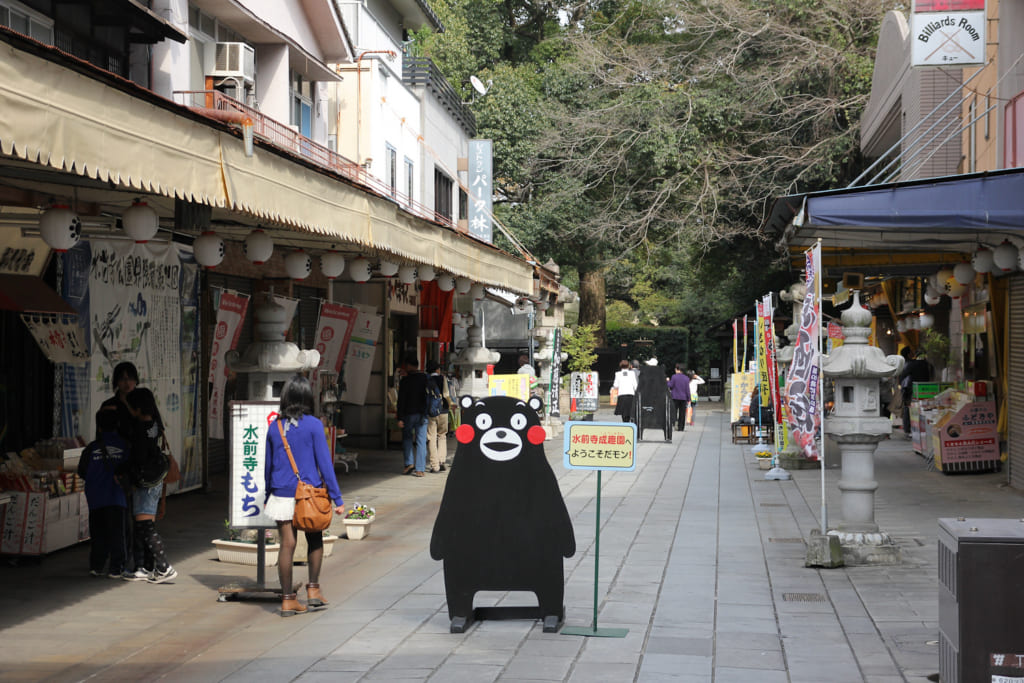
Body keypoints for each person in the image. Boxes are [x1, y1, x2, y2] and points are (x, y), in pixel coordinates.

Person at [264, 374, 345, 617]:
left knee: (287, 544)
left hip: (281, 492)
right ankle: (313, 590)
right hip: (308, 493)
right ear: (308, 397)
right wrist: (337, 498)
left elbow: (267, 466)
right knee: (314, 539)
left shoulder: (274, 427)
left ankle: (288, 600)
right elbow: (325, 464)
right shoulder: (313, 425)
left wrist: (269, 493)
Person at [123, 387, 177, 584]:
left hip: (145, 483)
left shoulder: (139, 429)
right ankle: (145, 568)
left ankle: (164, 567)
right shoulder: (154, 424)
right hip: (155, 480)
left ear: (137, 408)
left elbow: (138, 458)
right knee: (145, 525)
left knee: (146, 527)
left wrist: (127, 474)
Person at [78, 409, 130, 578]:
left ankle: (96, 566)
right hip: (116, 497)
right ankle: (116, 568)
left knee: (98, 534)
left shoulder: (91, 448)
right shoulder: (124, 446)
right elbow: (130, 469)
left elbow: (82, 471)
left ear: (99, 426)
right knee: (117, 534)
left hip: (95, 498)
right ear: (117, 426)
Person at [396, 354, 429, 477]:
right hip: (422, 414)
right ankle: (420, 469)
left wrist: (399, 417)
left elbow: (401, 400)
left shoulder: (405, 381)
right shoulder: (424, 378)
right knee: (421, 441)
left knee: (407, 438)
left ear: (408, 366)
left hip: (408, 414)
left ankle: (409, 463)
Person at [99, 361, 139, 439]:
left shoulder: (144, 401)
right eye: (122, 379)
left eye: (130, 378)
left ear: (135, 380)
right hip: (116, 448)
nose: (127, 382)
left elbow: (155, 427)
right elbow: (101, 434)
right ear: (116, 381)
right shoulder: (108, 405)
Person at [898, 348, 932, 438]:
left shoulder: (905, 364)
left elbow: (902, 376)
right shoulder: (924, 364)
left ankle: (908, 429)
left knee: (908, 409)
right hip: (923, 389)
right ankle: (918, 428)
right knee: (922, 408)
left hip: (909, 389)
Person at [426, 361, 451, 473]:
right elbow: (446, 394)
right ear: (437, 370)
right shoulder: (442, 378)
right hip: (443, 411)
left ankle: (434, 465)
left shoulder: (425, 379)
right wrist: (450, 405)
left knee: (432, 437)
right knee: (442, 436)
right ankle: (441, 461)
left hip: (431, 412)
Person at [666, 364, 691, 432]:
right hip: (683, 398)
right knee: (682, 413)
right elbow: (687, 389)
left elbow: (670, 385)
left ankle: (674, 423)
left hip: (675, 397)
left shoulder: (674, 377)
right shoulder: (686, 378)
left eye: (675, 369)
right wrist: (689, 399)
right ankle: (681, 427)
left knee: (674, 411)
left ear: (678, 369)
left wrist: (668, 380)